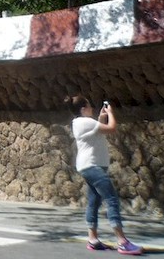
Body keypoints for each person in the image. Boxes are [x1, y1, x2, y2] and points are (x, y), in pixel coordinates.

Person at [66, 95, 142, 255]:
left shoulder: (81, 123)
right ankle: (122, 241)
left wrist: (102, 117)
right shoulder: (86, 122)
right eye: (89, 105)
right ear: (83, 109)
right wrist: (111, 113)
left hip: (89, 166)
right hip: (93, 167)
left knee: (94, 202)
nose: (92, 108)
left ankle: (92, 239)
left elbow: (97, 129)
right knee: (112, 199)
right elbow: (112, 128)